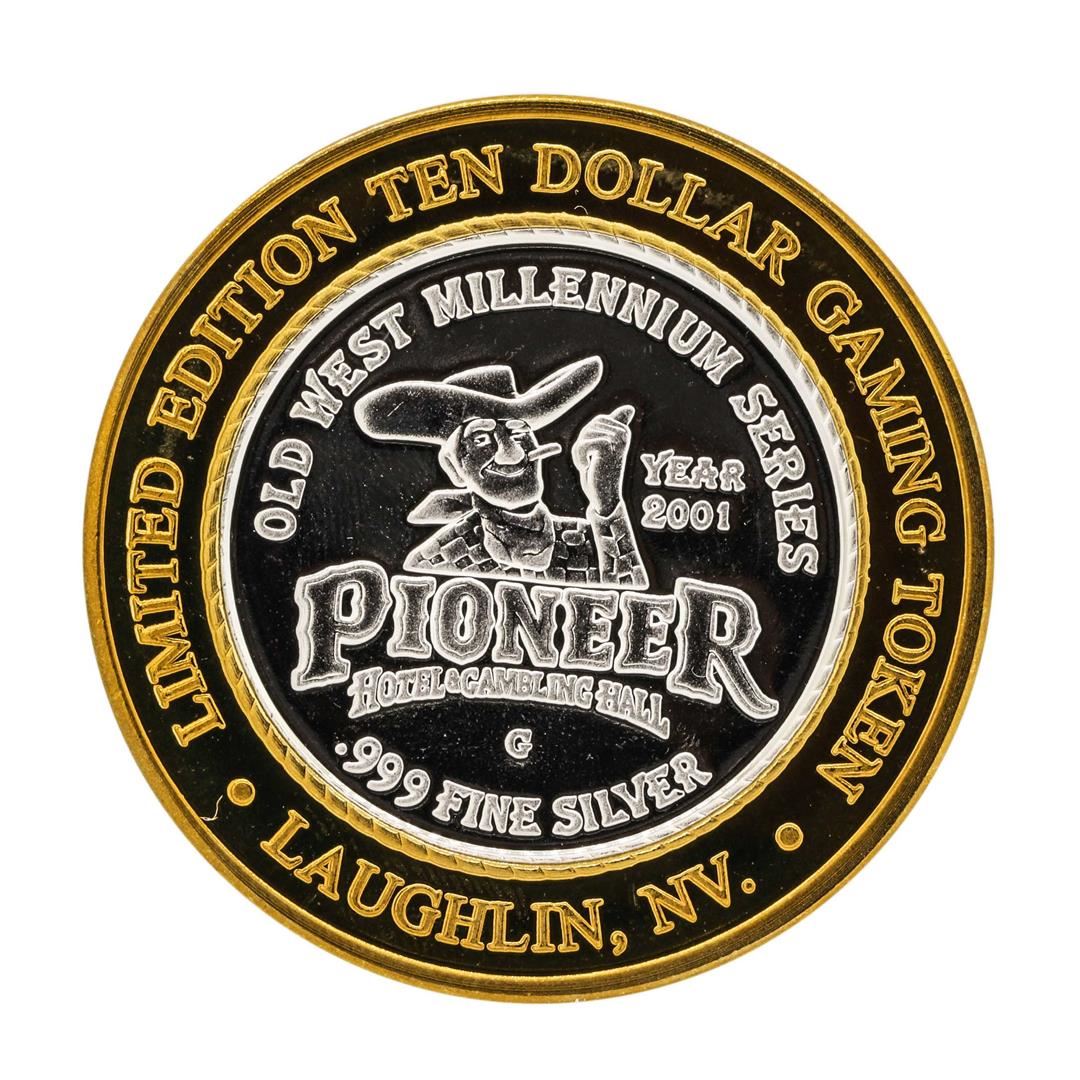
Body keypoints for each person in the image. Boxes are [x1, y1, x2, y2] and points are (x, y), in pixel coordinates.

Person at [354, 355, 647, 588]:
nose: (513, 454)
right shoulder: (434, 563)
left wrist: (607, 504)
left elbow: (635, 616)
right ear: (453, 467)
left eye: (519, 433)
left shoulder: (588, 542)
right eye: (481, 438)